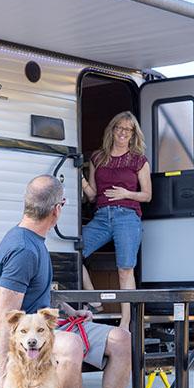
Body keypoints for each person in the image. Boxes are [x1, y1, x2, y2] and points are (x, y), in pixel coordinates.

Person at [0, 175, 152, 388]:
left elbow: (40, 294)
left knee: (121, 340)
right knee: (72, 345)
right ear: (57, 209)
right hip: (28, 339)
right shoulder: (23, 249)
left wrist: (69, 311)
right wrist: (4, 375)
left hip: (48, 325)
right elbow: (5, 317)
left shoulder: (35, 240)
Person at [81, 111, 152, 328]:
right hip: (102, 216)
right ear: (112, 130)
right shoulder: (98, 157)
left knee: (125, 269)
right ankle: (94, 298)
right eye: (118, 128)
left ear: (133, 134)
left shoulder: (138, 160)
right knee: (73, 253)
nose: (122, 132)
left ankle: (126, 322)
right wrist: (80, 179)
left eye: (127, 129)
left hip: (127, 217)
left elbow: (147, 195)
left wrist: (126, 194)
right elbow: (92, 194)